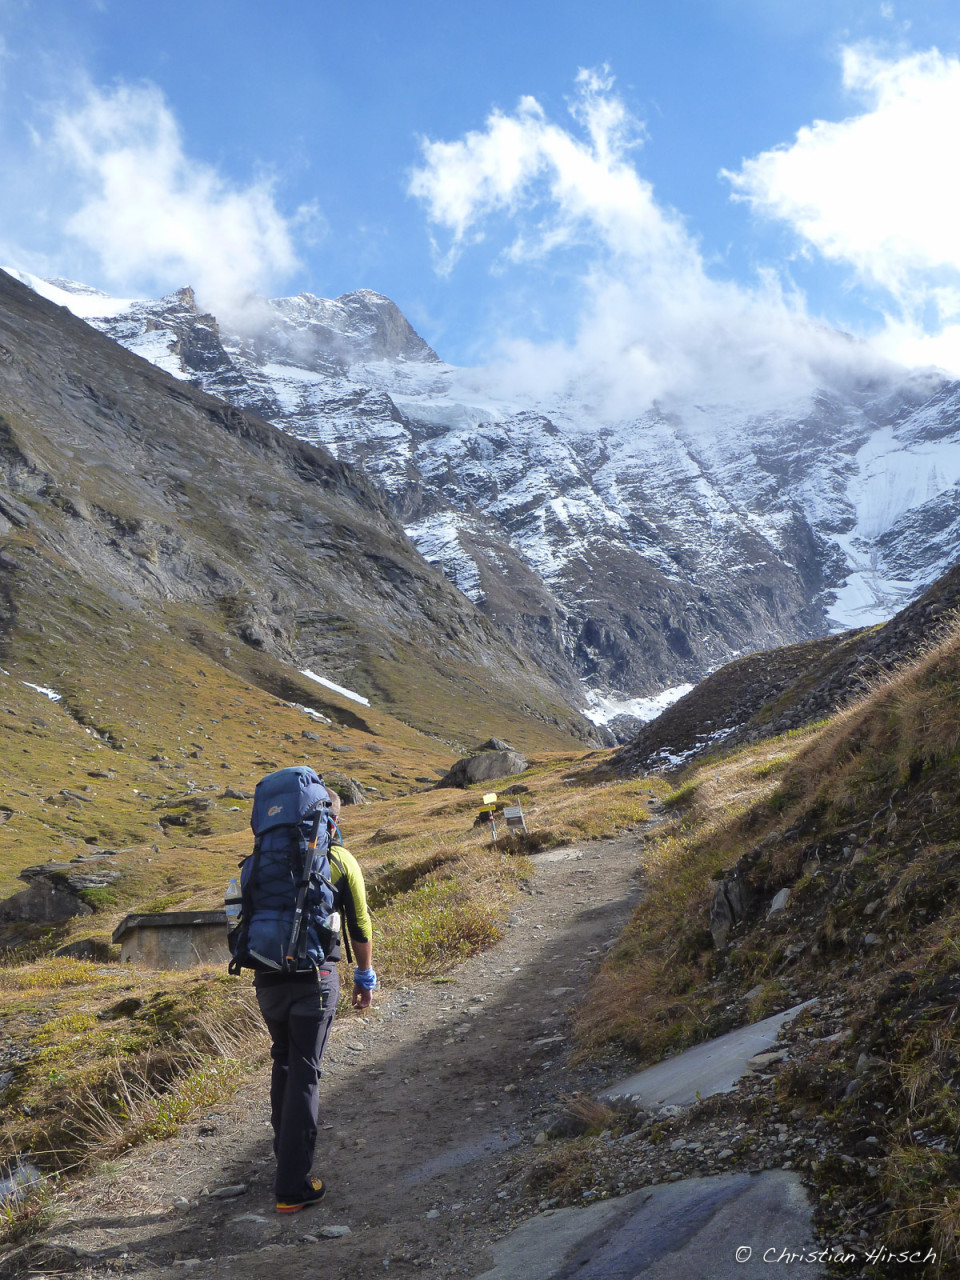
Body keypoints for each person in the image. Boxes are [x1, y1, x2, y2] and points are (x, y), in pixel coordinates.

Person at [252, 787, 376, 1213]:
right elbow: (359, 923)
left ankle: (284, 1156)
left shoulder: (263, 858)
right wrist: (364, 976)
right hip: (314, 979)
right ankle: (292, 1187)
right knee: (306, 1070)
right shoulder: (338, 860)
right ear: (332, 820)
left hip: (267, 979)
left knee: (284, 1060)